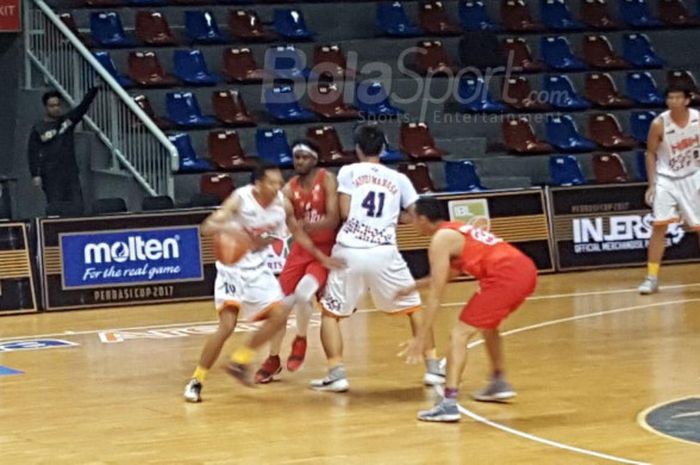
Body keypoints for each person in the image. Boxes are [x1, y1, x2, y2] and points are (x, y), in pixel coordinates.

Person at [310, 124, 444, 393]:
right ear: (384, 148)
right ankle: (432, 369)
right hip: (384, 251)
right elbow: (416, 216)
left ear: (357, 148)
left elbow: (346, 212)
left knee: (330, 313)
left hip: (350, 250)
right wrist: (393, 218)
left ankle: (337, 374)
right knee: (413, 308)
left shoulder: (348, 171)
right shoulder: (399, 178)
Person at [184, 164, 336, 402]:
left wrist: (321, 256)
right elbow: (207, 227)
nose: (278, 187)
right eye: (272, 182)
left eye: (279, 182)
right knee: (227, 326)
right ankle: (196, 380)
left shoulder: (282, 205)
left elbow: (294, 233)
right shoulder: (240, 198)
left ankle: (240, 360)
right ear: (257, 184)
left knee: (280, 315)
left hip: (257, 270)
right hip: (231, 270)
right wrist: (232, 233)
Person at [399, 197, 537, 422]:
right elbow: (446, 276)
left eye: (412, 219)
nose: (409, 223)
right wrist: (411, 287)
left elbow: (436, 293)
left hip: (505, 275)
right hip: (524, 270)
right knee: (488, 326)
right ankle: (498, 380)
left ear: (423, 219)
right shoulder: (455, 230)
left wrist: (420, 338)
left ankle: (449, 403)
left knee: (459, 334)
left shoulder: (440, 240)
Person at [255, 140, 341, 383]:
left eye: (304, 157)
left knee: (304, 295)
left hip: (324, 251)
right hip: (300, 252)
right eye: (296, 157)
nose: (299, 161)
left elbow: (333, 218)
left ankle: (300, 338)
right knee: (279, 309)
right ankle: (273, 359)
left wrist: (307, 225)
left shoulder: (326, 179)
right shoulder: (288, 189)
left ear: (314, 159)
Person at [638, 85, 700, 294]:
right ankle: (651, 277)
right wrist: (652, 184)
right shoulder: (659, 123)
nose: (673, 101)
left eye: (677, 97)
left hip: (693, 176)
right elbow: (650, 154)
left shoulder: (697, 120)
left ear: (686, 100)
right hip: (667, 179)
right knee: (659, 226)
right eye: (670, 97)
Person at [27, 87, 99, 214]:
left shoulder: (67, 121)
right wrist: (35, 174)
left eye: (57, 105)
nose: (55, 108)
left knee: (77, 206)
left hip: (70, 172)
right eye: (52, 105)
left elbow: (82, 108)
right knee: (55, 207)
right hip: (50, 174)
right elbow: (32, 152)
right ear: (46, 107)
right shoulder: (38, 128)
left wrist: (93, 90)